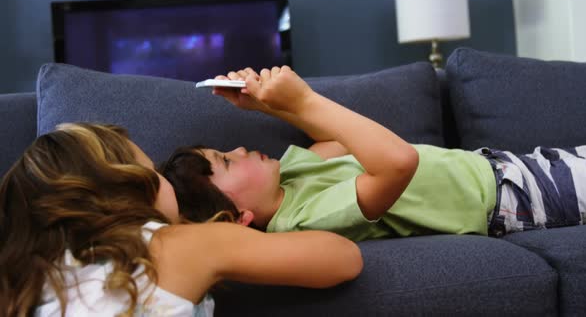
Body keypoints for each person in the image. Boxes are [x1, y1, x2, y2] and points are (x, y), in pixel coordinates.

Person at [161, 66, 586, 241]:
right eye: (226, 161)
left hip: (508, 167)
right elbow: (398, 163)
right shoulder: (304, 221)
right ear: (238, 218)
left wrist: (269, 105)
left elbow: (340, 142)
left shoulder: (290, 175)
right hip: (516, 202)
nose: (238, 148)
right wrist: (303, 100)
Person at [0, 123, 362, 316]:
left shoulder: (32, 282)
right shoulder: (178, 243)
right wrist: (227, 239)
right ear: (130, 184)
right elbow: (343, 258)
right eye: (150, 168)